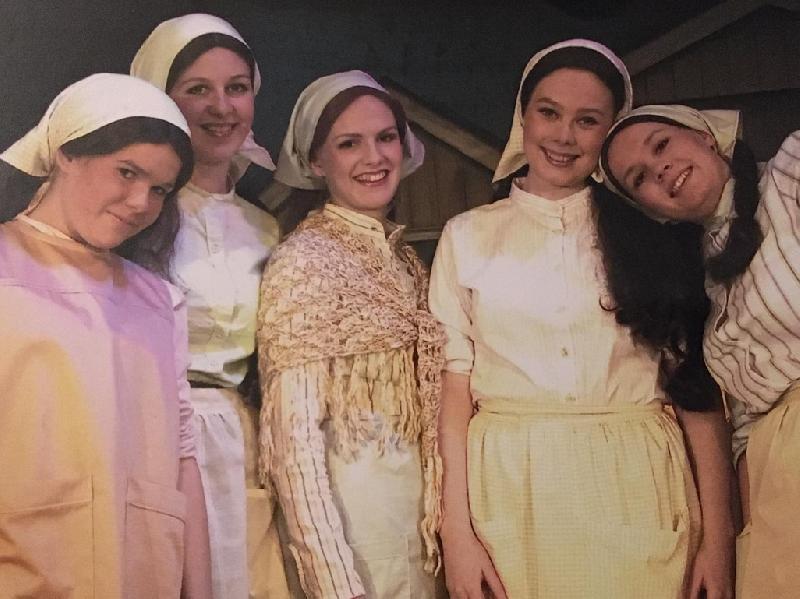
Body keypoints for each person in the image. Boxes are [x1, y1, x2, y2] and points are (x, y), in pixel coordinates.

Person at [429, 40, 735, 599]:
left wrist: (719, 544)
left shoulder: (654, 234)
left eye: (587, 120)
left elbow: (698, 397)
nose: (564, 136)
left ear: (610, 131)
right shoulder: (466, 236)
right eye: (549, 112)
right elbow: (452, 402)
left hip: (640, 489)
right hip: (511, 495)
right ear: (523, 117)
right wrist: (457, 534)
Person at [0, 73, 211, 598]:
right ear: (67, 154)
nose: (141, 202)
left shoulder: (158, 301)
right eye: (127, 172)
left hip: (142, 571)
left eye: (159, 189)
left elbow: (182, 458)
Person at [256, 70, 444, 599]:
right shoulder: (304, 262)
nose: (374, 157)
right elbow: (293, 443)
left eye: (386, 137)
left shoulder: (407, 264)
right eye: (349, 143)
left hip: (422, 535)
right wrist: (335, 581)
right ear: (317, 161)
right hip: (355, 540)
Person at [600, 103, 800, 598]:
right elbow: (745, 423)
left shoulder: (790, 171)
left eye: (661, 145)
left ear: (706, 137)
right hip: (777, 485)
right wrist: (749, 534)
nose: (660, 169)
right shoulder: (698, 287)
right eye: (639, 178)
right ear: (651, 212)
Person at [131, 14, 287, 598]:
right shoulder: (133, 218)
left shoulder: (267, 228)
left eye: (236, 88)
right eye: (198, 88)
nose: (221, 106)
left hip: (241, 440)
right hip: (150, 433)